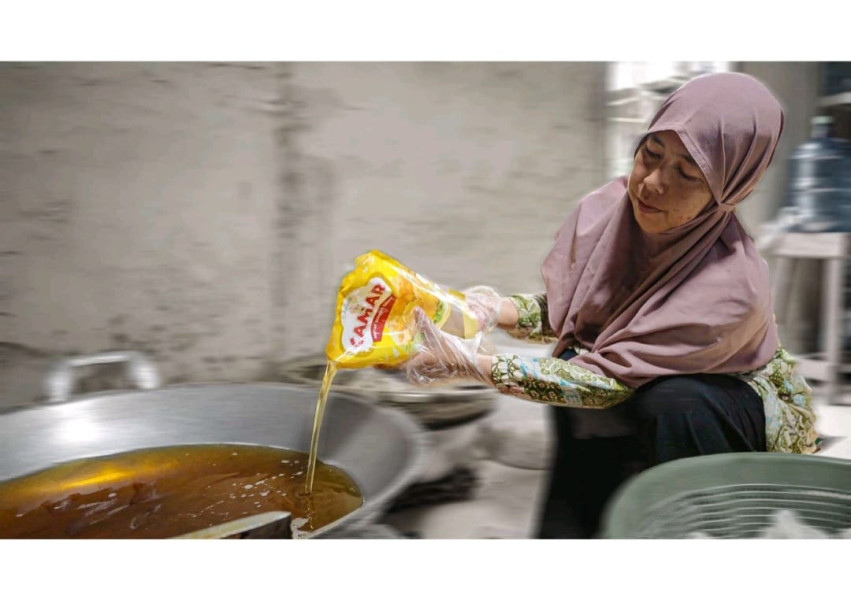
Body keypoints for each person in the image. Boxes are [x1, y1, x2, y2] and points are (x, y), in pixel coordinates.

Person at [403, 72, 820, 539]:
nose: (652, 183)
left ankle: (688, 531)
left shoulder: (731, 287)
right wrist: (487, 310)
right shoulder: (612, 212)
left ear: (730, 188)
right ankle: (584, 523)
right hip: (637, 377)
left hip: (724, 400)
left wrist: (473, 365)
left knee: (675, 401)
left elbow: (607, 380)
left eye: (686, 173)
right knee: (568, 357)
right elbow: (586, 312)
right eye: (651, 154)